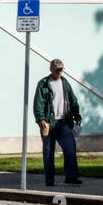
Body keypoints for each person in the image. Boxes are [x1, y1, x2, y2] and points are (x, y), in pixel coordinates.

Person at [32, 58, 83, 186]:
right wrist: (41, 119)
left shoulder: (65, 83)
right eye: (57, 70)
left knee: (70, 149)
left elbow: (73, 100)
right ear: (51, 69)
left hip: (64, 122)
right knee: (48, 152)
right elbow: (38, 103)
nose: (59, 72)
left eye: (61, 70)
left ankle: (71, 177)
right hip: (48, 123)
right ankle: (49, 180)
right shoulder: (43, 84)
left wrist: (77, 115)